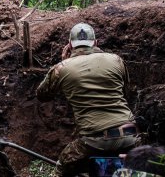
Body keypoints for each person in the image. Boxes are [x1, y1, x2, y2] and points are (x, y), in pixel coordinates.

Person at [36, 22, 140, 177]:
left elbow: (42, 95)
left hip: (95, 142)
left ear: (70, 45)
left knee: (62, 166)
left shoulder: (62, 68)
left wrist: (63, 63)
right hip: (131, 136)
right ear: (96, 43)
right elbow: (127, 93)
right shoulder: (116, 60)